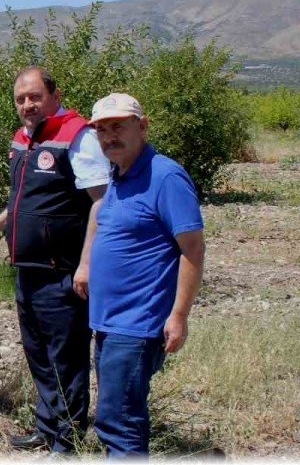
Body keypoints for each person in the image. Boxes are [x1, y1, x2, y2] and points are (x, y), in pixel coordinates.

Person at [0, 67, 109, 453]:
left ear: (54, 95)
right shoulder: (23, 139)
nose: (27, 105)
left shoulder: (77, 136)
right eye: (20, 99)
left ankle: (67, 441)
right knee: (39, 355)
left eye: (34, 96)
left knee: (67, 358)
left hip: (62, 271)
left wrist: (86, 265)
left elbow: (101, 203)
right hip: (26, 268)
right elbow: (21, 198)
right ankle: (46, 428)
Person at [84, 93, 205, 457]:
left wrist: (179, 315)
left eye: (118, 127)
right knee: (118, 417)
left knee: (118, 421)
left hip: (137, 324)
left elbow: (193, 249)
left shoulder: (165, 177)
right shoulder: (118, 175)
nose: (109, 137)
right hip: (108, 322)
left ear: (143, 126)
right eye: (102, 130)